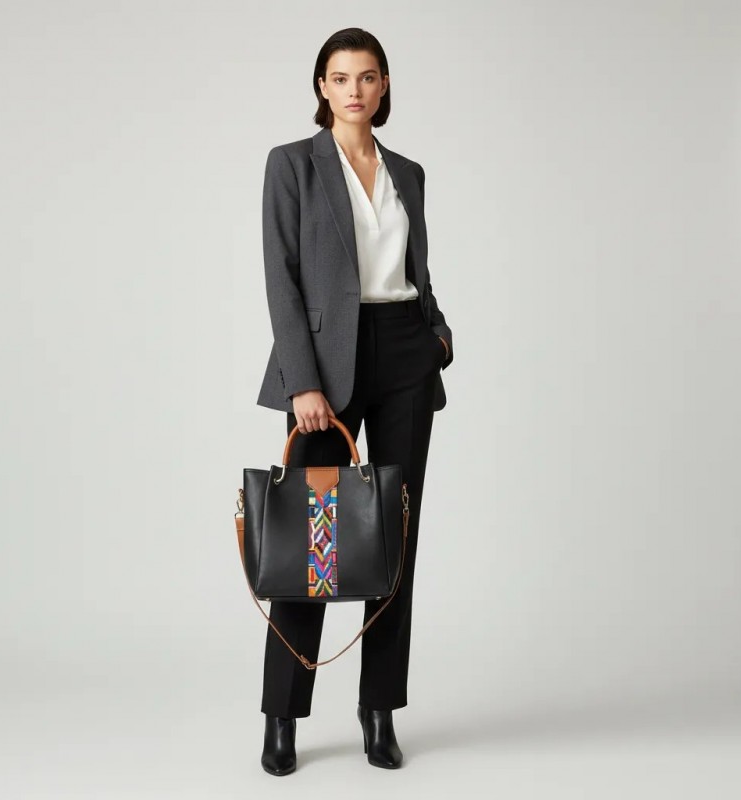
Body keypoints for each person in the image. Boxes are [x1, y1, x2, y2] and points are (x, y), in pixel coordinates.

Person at [255, 27, 454, 775]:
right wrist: (302, 380)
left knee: (393, 540)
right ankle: (282, 717)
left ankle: (379, 711)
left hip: (403, 353)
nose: (354, 91)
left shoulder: (409, 171)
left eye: (367, 77)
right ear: (322, 88)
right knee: (311, 543)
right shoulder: (292, 165)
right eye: (340, 78)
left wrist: (436, 335)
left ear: (384, 85)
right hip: (324, 368)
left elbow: (414, 269)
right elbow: (281, 277)